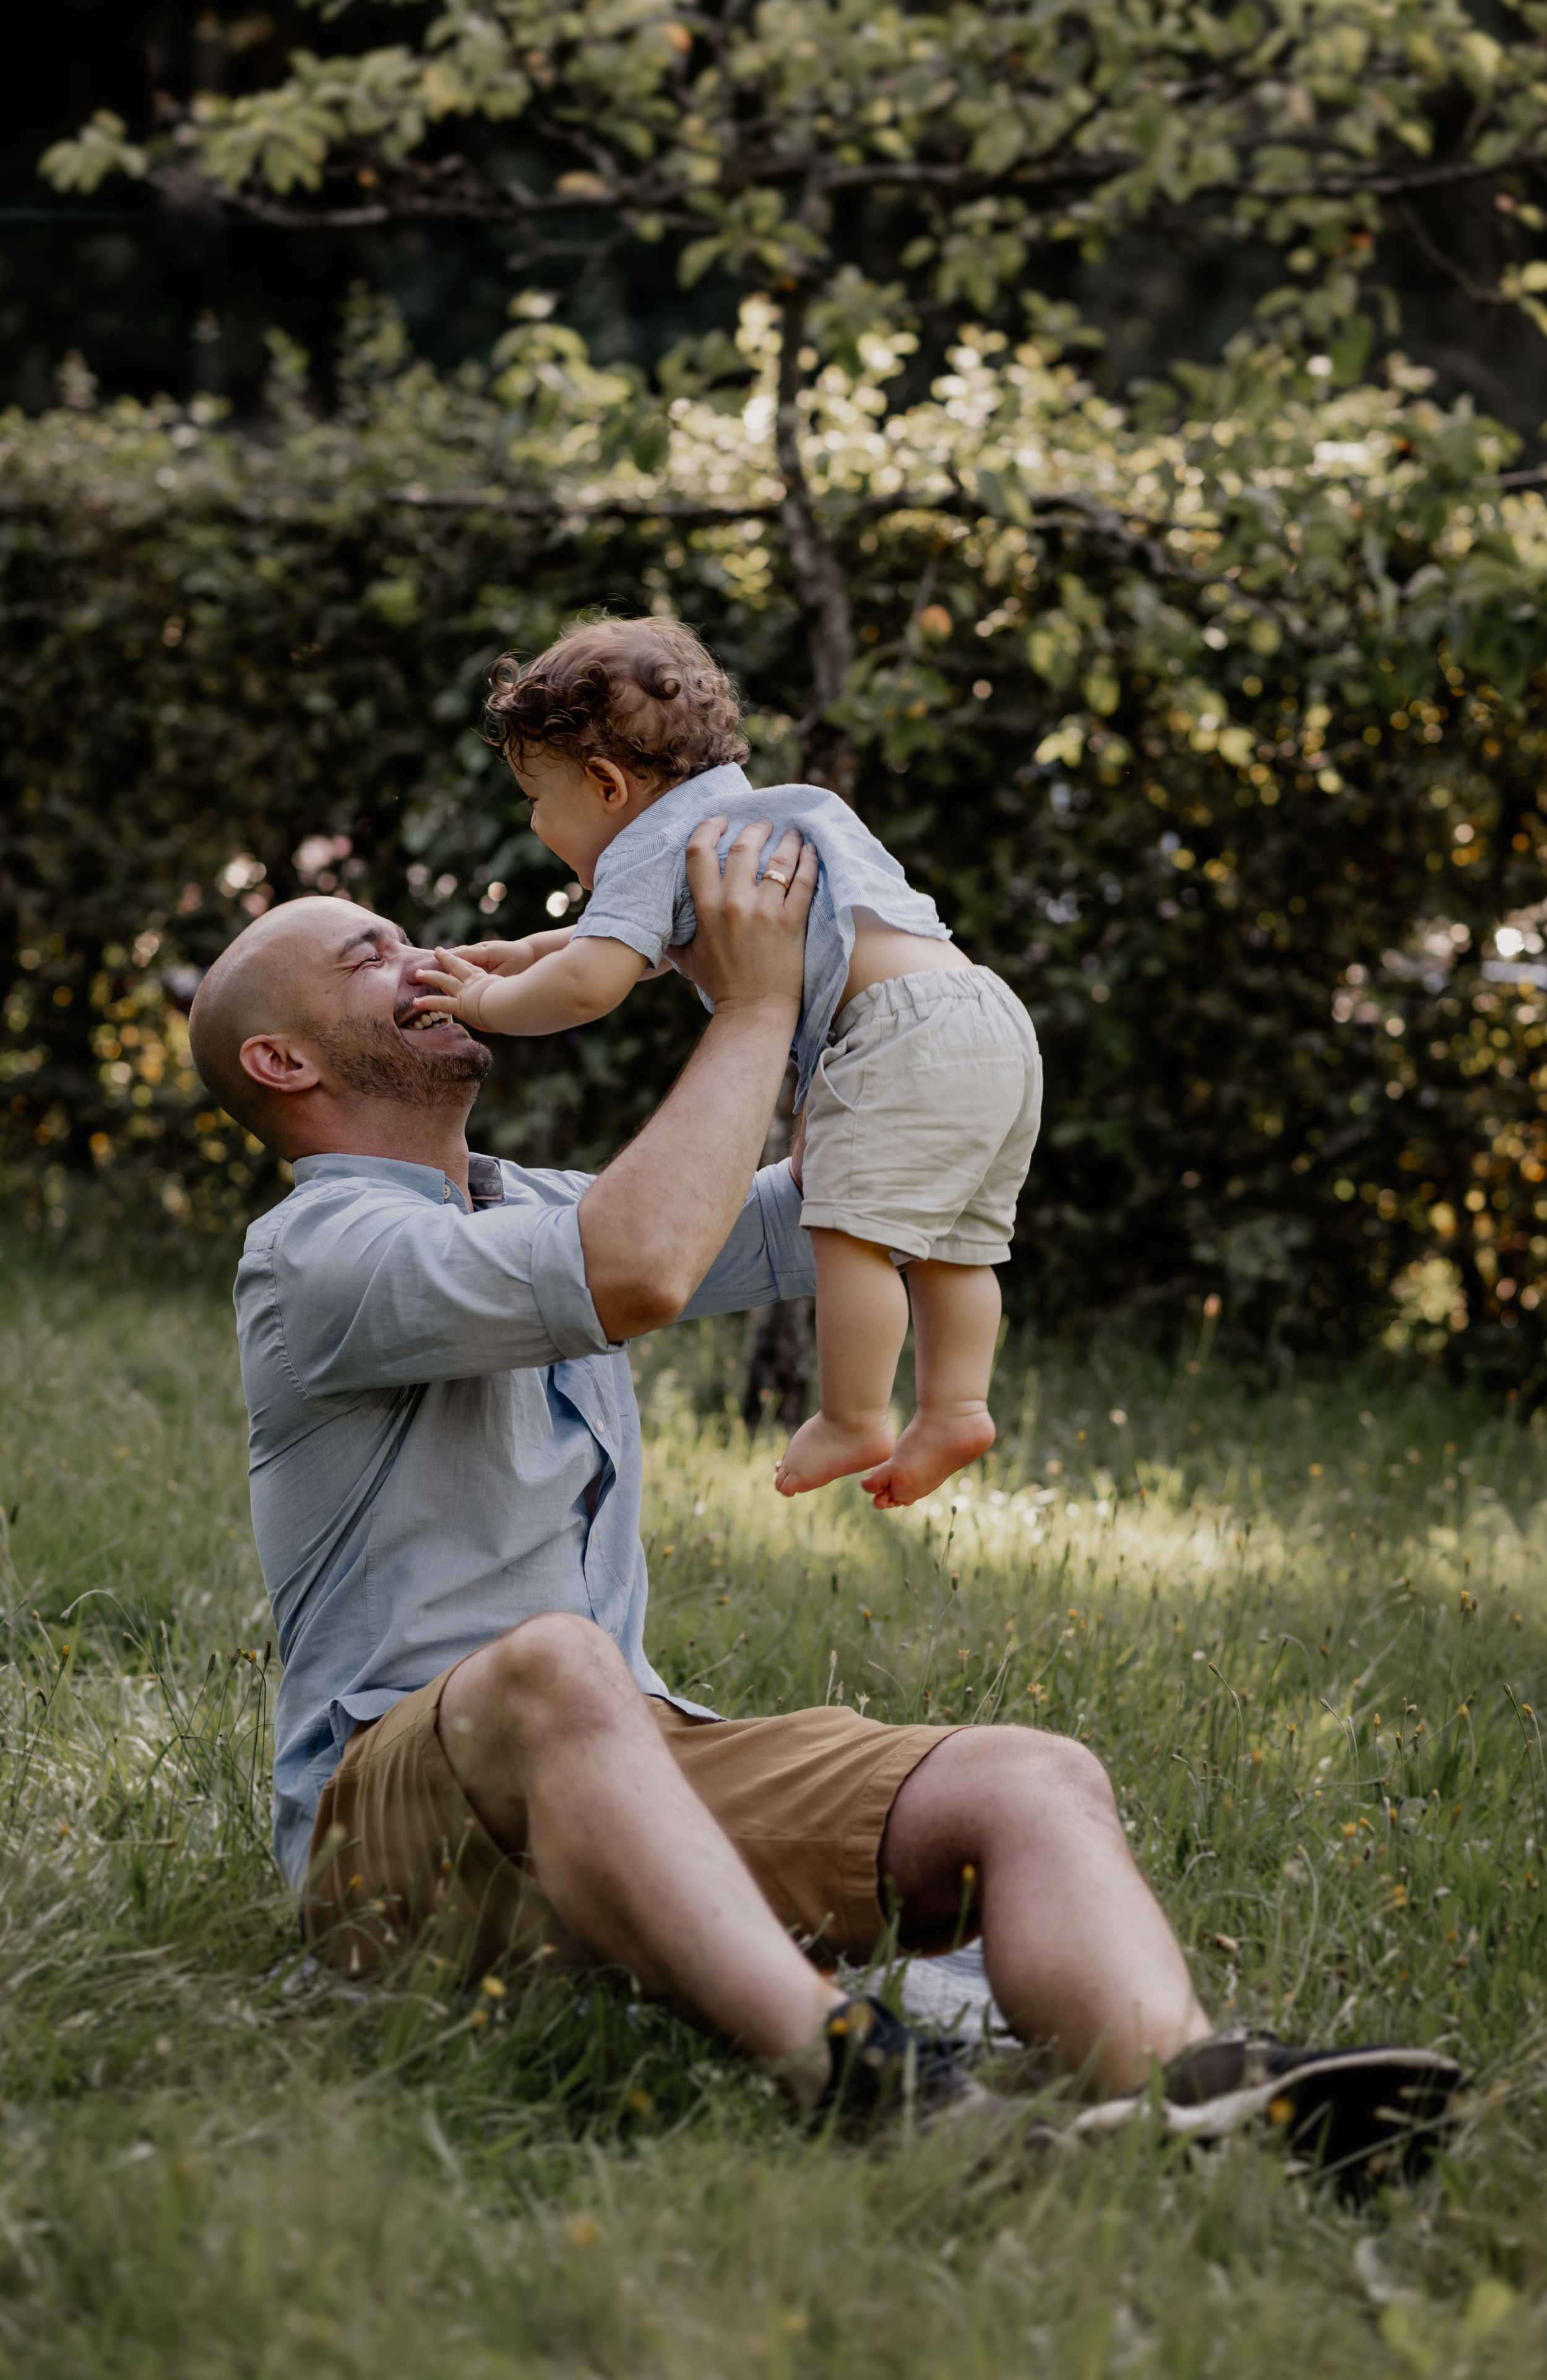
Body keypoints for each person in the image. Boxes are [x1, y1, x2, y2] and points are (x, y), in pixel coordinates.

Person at [186, 817, 1460, 2167]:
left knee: (1027, 1778)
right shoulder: (318, 1254)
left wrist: (877, 1000)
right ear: (287, 1060)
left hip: (633, 1766)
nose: (425, 953)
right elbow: (635, 1269)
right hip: (391, 1834)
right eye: (372, 953)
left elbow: (829, 1210)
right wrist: (749, 1002)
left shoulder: (528, 1204)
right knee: (555, 1663)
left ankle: (1182, 2088)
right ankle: (869, 2087)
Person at [411, 617, 1041, 1509]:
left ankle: (855, 1413)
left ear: (606, 783)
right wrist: (521, 952)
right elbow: (612, 941)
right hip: (983, 1014)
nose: (536, 821)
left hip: (895, 1033)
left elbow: (593, 981)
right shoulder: (739, 810)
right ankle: (956, 1406)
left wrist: (482, 1006)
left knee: (850, 1233)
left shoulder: (646, 842)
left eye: (535, 797)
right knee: (955, 1246)